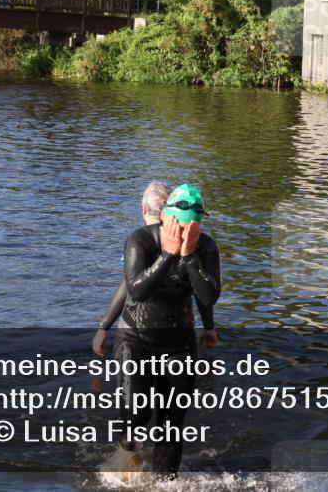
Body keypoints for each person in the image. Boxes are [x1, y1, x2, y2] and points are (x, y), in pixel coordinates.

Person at [113, 183, 221, 479]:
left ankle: (164, 484)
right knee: (137, 414)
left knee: (171, 423)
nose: (186, 229)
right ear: (165, 218)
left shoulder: (206, 246)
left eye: (194, 224)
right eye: (179, 222)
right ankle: (127, 450)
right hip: (135, 340)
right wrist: (168, 255)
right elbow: (136, 290)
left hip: (179, 344)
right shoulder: (141, 240)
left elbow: (209, 296)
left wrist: (188, 257)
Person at [92, 182, 218, 357]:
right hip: (168, 334)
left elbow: (125, 288)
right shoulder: (140, 240)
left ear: (144, 209)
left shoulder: (140, 240)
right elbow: (199, 290)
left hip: (149, 332)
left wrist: (103, 328)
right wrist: (209, 326)